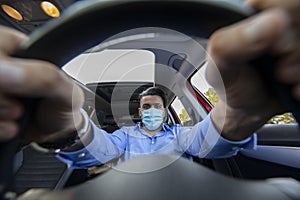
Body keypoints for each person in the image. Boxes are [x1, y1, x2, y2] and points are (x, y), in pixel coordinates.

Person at [0, 0, 299, 169]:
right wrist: (67, 126)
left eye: (157, 106)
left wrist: (240, 113)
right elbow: (97, 149)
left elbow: (209, 141)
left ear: (165, 109)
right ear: (140, 111)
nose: (151, 111)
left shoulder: (181, 135)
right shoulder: (125, 137)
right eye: (146, 107)